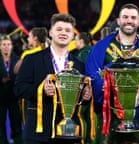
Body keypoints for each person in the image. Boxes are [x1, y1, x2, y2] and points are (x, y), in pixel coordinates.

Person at [85, 3, 139, 144]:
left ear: (138, 22)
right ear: (118, 21)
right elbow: (91, 74)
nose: (129, 21)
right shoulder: (101, 47)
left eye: (133, 17)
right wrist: (106, 85)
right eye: (125, 17)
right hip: (109, 114)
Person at [14, 13, 92, 144]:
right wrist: (41, 90)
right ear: (50, 32)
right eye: (59, 29)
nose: (63, 33)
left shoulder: (79, 65)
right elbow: (18, 89)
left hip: (69, 133)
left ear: (73, 35)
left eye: (68, 30)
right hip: (39, 132)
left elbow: (80, 100)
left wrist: (86, 97)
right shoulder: (32, 59)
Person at [0, 35, 23, 144]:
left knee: (16, 122)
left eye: (8, 44)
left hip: (14, 97)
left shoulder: (17, 59)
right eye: (4, 44)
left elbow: (21, 77)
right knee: (0, 123)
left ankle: (18, 141)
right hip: (0, 97)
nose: (6, 47)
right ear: (0, 46)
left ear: (12, 46)